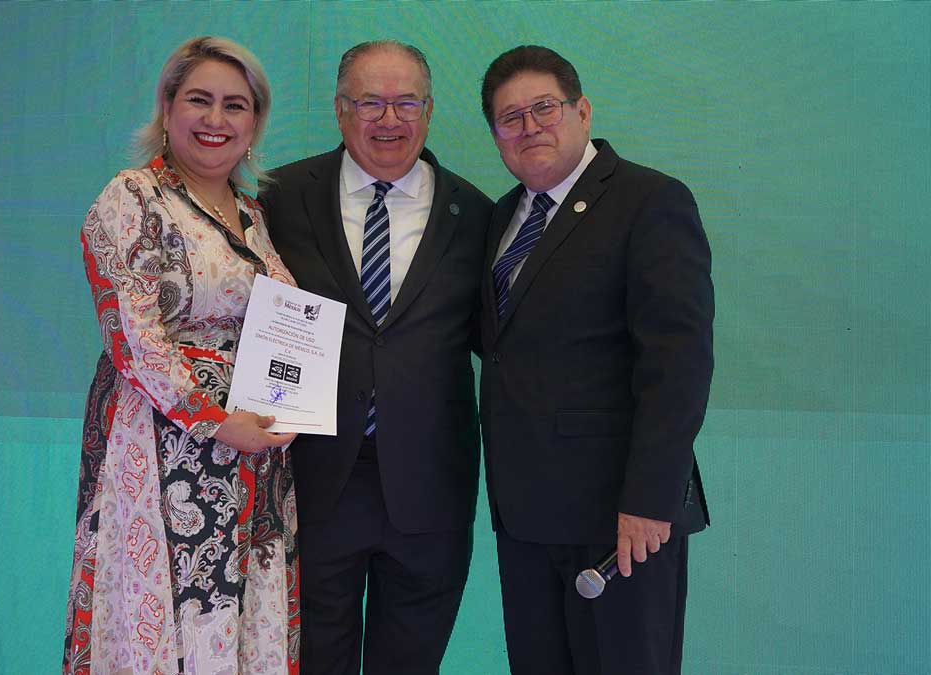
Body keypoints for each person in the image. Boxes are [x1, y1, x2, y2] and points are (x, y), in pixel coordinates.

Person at [63, 36, 301, 675]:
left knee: (242, 614)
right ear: (167, 108)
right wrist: (216, 421)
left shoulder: (252, 214)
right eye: (199, 100)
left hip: (253, 457)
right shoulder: (132, 197)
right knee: (169, 618)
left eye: (235, 105)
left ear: (254, 122)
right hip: (164, 447)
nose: (216, 119)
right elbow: (133, 338)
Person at [477, 45, 715, 675]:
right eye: (510, 118)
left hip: (621, 521)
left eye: (544, 108)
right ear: (496, 135)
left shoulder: (650, 201)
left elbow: (678, 364)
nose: (530, 127)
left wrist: (651, 500)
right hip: (525, 518)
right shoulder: (503, 217)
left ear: (582, 111)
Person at [259, 40, 491, 675]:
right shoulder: (279, 198)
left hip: (430, 491)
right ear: (340, 110)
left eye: (407, 103)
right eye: (370, 103)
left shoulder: (476, 214)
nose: (390, 120)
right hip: (312, 480)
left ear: (430, 110)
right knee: (313, 659)